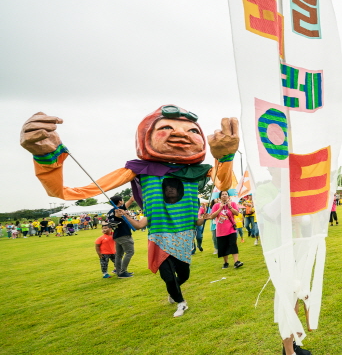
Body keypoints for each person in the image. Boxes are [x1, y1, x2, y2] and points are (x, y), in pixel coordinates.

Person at [20, 106, 238, 318]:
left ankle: (175, 291)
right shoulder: (140, 169)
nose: (181, 133)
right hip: (159, 238)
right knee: (167, 275)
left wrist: (225, 158)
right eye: (167, 128)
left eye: (192, 130)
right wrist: (47, 159)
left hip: (183, 238)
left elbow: (224, 183)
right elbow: (66, 192)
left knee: (184, 274)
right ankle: (180, 301)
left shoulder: (199, 170)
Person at [210, 190, 243, 269]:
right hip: (221, 230)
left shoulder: (233, 204)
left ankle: (236, 262)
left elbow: (237, 213)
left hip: (231, 229)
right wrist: (220, 208)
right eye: (222, 194)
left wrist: (230, 207)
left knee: (233, 245)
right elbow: (212, 216)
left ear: (228, 196)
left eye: (226, 194)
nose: (224, 195)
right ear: (220, 196)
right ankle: (226, 262)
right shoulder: (216, 205)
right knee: (223, 247)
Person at [107, 195, 136, 278]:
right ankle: (123, 272)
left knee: (119, 255)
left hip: (117, 235)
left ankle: (119, 272)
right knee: (130, 252)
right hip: (124, 234)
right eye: (122, 200)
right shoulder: (119, 210)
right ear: (120, 201)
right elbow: (130, 201)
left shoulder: (110, 212)